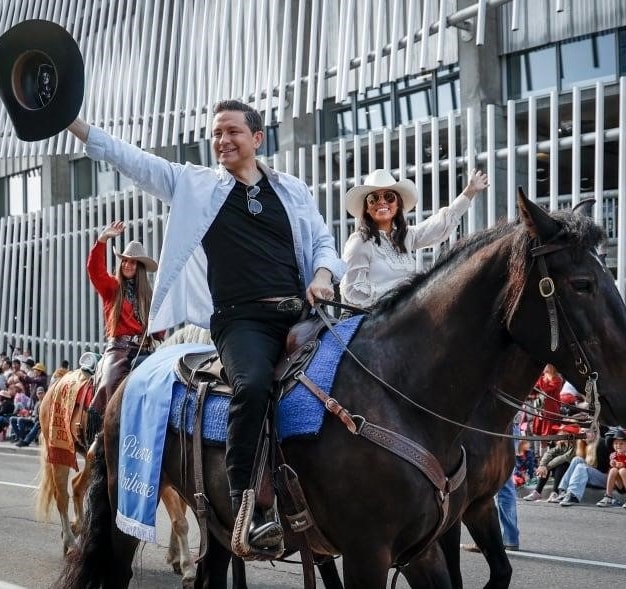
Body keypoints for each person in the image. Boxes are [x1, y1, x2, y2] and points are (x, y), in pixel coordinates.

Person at [67, 100, 345, 552]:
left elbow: (322, 241)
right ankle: (246, 504)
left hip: (302, 315)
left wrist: (322, 275)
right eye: (216, 133)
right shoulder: (194, 185)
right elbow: (132, 160)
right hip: (242, 322)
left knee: (359, 375)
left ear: (257, 139)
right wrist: (74, 125)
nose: (222, 141)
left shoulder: (291, 189)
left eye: (232, 132)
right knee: (253, 386)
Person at [340, 168, 488, 307]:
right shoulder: (360, 241)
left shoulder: (405, 236)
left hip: (403, 316)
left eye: (389, 197)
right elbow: (351, 291)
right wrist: (399, 296)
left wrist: (469, 192)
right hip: (373, 323)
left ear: (398, 204)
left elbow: (437, 225)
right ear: (367, 208)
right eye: (373, 198)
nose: (382, 201)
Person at [87, 221, 159, 415]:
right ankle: (100, 436)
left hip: (145, 350)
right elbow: (95, 271)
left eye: (132, 261)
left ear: (140, 267)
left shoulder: (148, 296)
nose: (127, 264)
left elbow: (159, 331)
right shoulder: (112, 287)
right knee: (110, 384)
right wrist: (102, 240)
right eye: (125, 260)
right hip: (119, 350)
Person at [523, 424, 577, 502]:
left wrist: (546, 467)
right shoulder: (561, 445)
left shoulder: (575, 446)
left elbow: (563, 458)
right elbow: (549, 453)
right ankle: (537, 492)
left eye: (562, 433)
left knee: (561, 464)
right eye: (560, 433)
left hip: (571, 472)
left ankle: (555, 493)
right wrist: (542, 465)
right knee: (548, 464)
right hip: (560, 473)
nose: (559, 434)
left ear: (569, 435)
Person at [557, 428, 609, 506]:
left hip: (607, 479)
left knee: (581, 467)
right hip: (594, 475)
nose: (584, 434)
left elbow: (603, 469)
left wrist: (586, 468)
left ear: (595, 433)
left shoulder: (601, 443)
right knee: (577, 459)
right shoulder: (583, 444)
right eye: (582, 432)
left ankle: (573, 495)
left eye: (587, 432)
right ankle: (563, 490)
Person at [596, 428, 626, 509]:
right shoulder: (613, 455)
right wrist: (612, 464)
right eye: (616, 443)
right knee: (613, 470)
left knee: (622, 471)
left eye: (621, 443)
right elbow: (613, 471)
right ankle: (608, 496)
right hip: (620, 485)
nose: (618, 446)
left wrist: (624, 466)